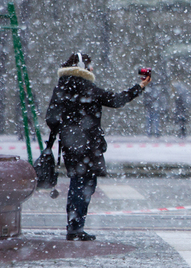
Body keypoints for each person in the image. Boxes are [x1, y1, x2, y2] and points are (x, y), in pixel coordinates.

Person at [46, 53, 150, 241]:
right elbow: (116, 100)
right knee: (85, 186)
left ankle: (73, 226)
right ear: (82, 66)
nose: (92, 69)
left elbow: (51, 118)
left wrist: (66, 130)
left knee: (76, 184)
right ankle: (76, 228)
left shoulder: (61, 87)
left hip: (70, 146)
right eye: (89, 65)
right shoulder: (86, 87)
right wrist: (140, 87)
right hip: (87, 146)